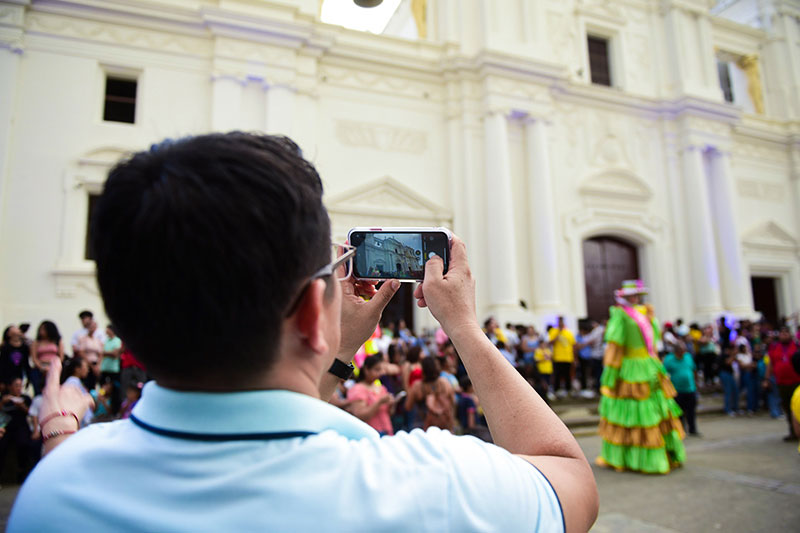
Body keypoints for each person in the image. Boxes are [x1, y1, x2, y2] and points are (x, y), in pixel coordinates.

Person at [9, 133, 597, 531]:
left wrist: (337, 354)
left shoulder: (53, 494)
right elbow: (568, 478)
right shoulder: (423, 488)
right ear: (314, 313)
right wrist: (465, 327)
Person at [597, 279, 686, 474]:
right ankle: (632, 458)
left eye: (637, 295)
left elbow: (653, 342)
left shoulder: (646, 312)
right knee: (632, 413)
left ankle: (663, 454)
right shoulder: (620, 315)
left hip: (649, 365)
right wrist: (610, 376)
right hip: (629, 368)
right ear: (624, 296)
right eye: (631, 295)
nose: (635, 298)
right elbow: (615, 346)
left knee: (654, 411)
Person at [765, 327, 800, 441]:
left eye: (786, 333)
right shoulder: (775, 347)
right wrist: (767, 378)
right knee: (787, 407)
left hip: (796, 381)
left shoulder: (797, 346)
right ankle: (793, 430)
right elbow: (770, 364)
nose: (784, 335)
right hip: (781, 383)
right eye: (782, 333)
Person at [346, 355, 394, 436]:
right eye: (377, 369)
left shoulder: (381, 388)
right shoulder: (357, 389)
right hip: (370, 434)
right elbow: (360, 416)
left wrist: (392, 405)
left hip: (387, 430)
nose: (381, 373)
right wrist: (379, 402)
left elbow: (389, 413)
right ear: (366, 370)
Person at [405, 356, 456, 431]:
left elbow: (408, 406)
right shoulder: (445, 383)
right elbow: (452, 402)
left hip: (424, 428)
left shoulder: (417, 386)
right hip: (444, 427)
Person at [663, 342, 699, 436]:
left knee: (691, 410)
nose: (683, 353)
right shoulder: (669, 359)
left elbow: (694, 369)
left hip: (690, 389)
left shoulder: (688, 357)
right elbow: (664, 373)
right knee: (679, 412)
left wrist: (696, 382)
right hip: (677, 390)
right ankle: (681, 430)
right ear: (676, 351)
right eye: (681, 351)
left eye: (684, 351)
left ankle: (693, 429)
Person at [30, 321, 64, 396]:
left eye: (43, 329)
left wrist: (53, 367)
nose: (41, 331)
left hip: (54, 367)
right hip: (40, 368)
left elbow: (61, 357)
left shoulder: (57, 341)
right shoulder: (36, 342)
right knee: (39, 391)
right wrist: (41, 367)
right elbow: (34, 358)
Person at [548, 316, 576, 398]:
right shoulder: (553, 331)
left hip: (568, 357)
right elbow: (551, 342)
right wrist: (558, 334)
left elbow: (573, 345)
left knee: (567, 374)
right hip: (558, 357)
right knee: (557, 374)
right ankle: (557, 390)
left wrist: (574, 357)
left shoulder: (568, 332)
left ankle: (568, 390)